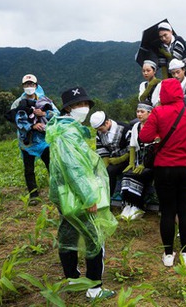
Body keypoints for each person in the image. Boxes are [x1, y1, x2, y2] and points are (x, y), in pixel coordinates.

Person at [45, 86, 117, 299]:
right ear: (68, 108)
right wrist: (88, 197)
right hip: (78, 194)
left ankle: (73, 278)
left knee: (68, 233)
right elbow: (74, 169)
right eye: (78, 104)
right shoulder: (68, 133)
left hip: (64, 194)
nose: (83, 108)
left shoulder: (61, 128)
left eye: (85, 104)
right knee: (95, 237)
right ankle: (94, 288)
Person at [138, 78, 186, 267]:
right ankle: (185, 252)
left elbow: (144, 136)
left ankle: (168, 254)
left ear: (162, 94)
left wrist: (159, 136)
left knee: (167, 210)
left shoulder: (158, 112)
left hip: (164, 169)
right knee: (185, 209)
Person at [8, 74, 58, 205]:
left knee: (50, 165)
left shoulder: (45, 100)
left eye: (31, 84)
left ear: (36, 86)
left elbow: (57, 115)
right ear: (23, 86)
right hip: (27, 142)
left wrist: (44, 114)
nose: (29, 87)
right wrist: (31, 126)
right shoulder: (18, 103)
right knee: (29, 169)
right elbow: (15, 119)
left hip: (44, 140)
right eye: (26, 85)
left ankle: (57, 190)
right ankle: (33, 195)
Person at [120, 101, 155, 220]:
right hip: (138, 161)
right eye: (138, 111)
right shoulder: (136, 126)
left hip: (152, 163)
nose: (139, 114)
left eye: (142, 112)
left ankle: (138, 206)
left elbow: (154, 148)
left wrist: (144, 164)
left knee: (138, 176)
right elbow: (133, 146)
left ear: (150, 113)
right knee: (127, 175)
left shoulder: (154, 126)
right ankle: (128, 205)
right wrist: (131, 163)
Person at [89, 111, 131, 199]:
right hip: (112, 160)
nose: (99, 132)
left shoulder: (125, 129)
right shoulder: (100, 133)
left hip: (128, 160)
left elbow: (132, 147)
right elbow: (101, 149)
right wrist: (104, 165)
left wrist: (121, 159)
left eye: (100, 129)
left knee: (110, 171)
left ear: (107, 123)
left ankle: (108, 198)